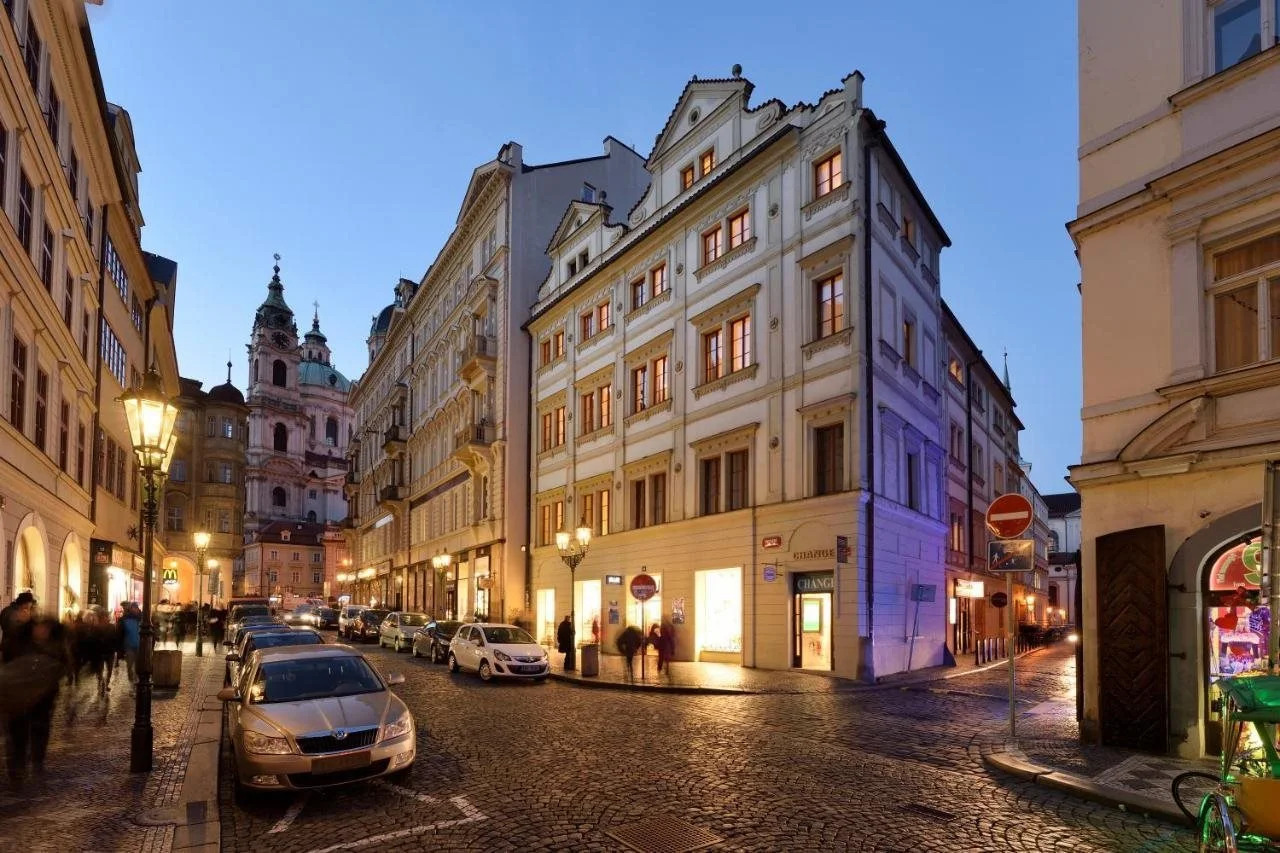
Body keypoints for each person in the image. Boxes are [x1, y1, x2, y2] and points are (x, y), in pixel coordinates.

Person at [2, 595, 69, 790]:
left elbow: (63, 665)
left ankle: (37, 763)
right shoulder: (18, 640)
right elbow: (8, 663)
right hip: (17, 699)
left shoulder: (54, 645)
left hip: (43, 699)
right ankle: (17, 770)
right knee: (17, 734)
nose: (41, 630)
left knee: (39, 729)